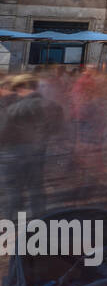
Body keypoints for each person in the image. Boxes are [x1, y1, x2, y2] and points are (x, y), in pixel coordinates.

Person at [2, 74, 66, 216]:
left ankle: (11, 226)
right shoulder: (53, 106)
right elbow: (58, 130)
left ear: (21, 88)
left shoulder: (13, 109)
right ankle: (39, 222)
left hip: (13, 155)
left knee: (13, 192)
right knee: (36, 189)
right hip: (39, 153)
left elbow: (3, 134)